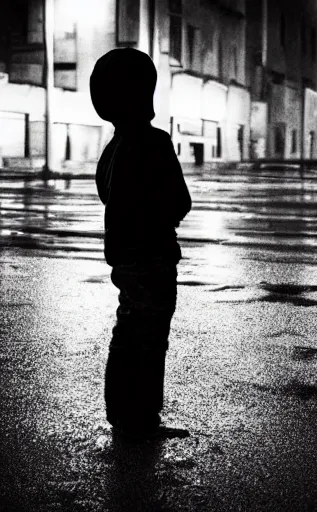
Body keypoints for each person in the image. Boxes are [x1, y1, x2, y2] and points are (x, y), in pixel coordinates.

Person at [90, 48, 192, 441]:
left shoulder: (113, 149)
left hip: (125, 258)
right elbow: (179, 201)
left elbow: (105, 192)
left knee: (128, 331)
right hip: (155, 258)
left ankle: (121, 413)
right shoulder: (155, 143)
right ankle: (145, 418)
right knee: (151, 340)